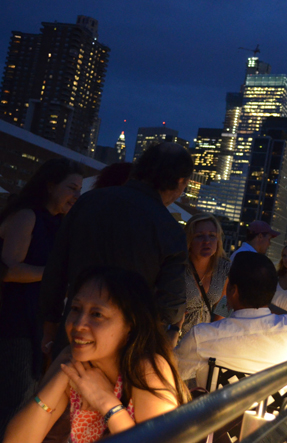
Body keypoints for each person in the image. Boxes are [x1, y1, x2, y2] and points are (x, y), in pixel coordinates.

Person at [4, 266, 189, 443]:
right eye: (75, 309)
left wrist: (106, 402)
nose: (78, 324)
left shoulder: (146, 369)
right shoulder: (73, 360)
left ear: (130, 325)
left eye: (97, 314)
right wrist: (63, 373)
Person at [40, 143, 193, 353]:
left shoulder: (88, 203)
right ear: (180, 182)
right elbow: (171, 306)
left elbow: (55, 272)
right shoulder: (170, 230)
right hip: (125, 349)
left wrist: (50, 327)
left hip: (72, 338)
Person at [0, 158, 83, 436]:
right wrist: (55, 273)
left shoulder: (58, 224)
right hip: (13, 321)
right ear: (50, 186)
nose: (76, 196)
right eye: (71, 187)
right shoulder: (27, 216)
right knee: (16, 399)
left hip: (33, 321)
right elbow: (8, 269)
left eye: (79, 190)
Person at [175, 251, 287, 384]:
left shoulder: (200, 337)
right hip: (279, 408)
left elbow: (169, 373)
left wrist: (174, 328)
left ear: (232, 290)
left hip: (222, 408)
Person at [182, 213, 231, 336]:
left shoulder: (223, 268)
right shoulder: (178, 266)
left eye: (212, 236)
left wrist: (214, 334)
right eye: (199, 236)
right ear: (189, 239)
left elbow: (223, 305)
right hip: (174, 338)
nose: (206, 241)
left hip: (203, 341)